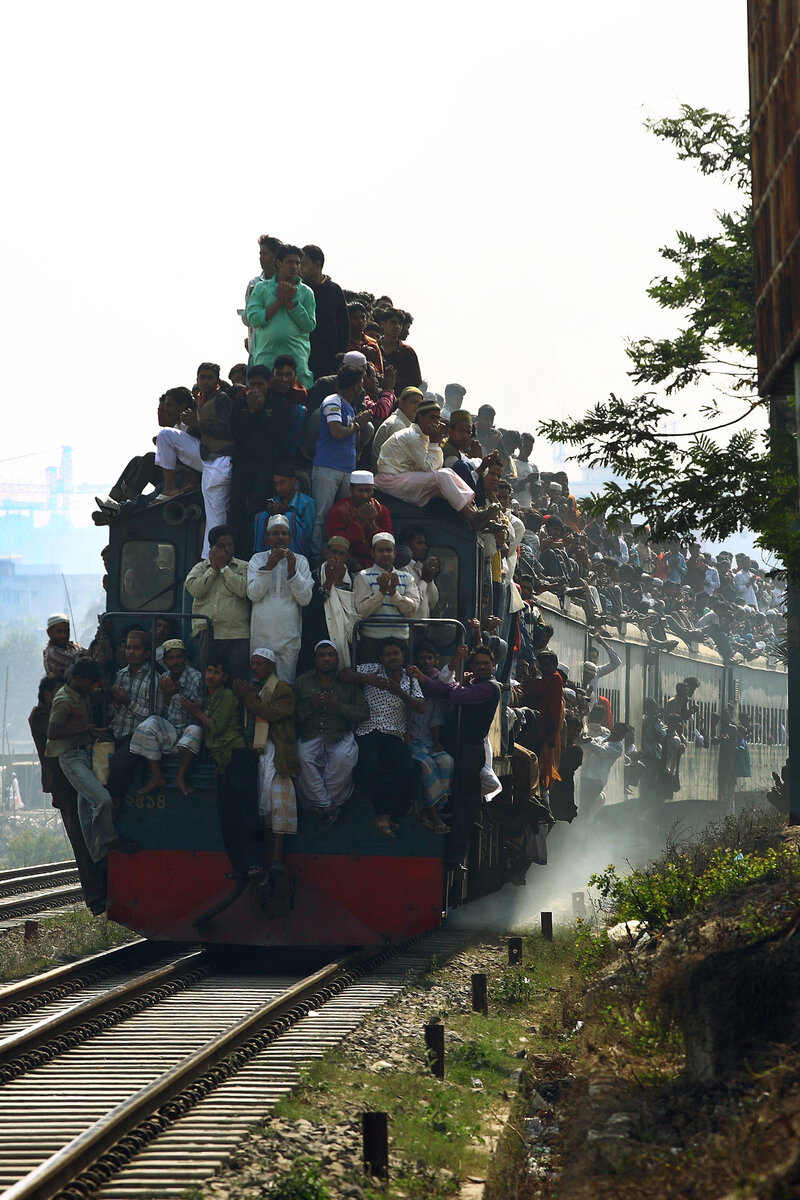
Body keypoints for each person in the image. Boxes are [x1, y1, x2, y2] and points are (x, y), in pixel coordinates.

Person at [174, 657, 263, 880]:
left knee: (247, 814)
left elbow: (218, 726)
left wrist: (195, 711)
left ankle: (255, 863)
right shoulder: (210, 699)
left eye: (216, 672)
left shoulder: (228, 696)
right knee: (227, 817)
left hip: (238, 756)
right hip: (222, 762)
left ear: (224, 678)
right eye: (209, 670)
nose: (211, 675)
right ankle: (239, 867)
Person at [45, 658, 135, 864]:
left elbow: (96, 697)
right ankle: (110, 840)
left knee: (85, 810)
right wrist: (83, 730)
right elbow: (53, 731)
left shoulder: (82, 692)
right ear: (78, 678)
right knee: (103, 799)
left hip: (86, 753)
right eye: (90, 683)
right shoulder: (63, 700)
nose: (91, 688)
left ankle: (97, 857)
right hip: (71, 757)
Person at [29, 675, 107, 913]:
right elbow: (60, 732)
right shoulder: (41, 715)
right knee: (80, 836)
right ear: (48, 695)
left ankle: (102, 888)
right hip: (62, 783)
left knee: (87, 831)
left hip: (71, 779)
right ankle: (96, 896)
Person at [418, 643, 502, 864]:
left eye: (486, 663)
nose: (483, 667)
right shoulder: (473, 682)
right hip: (455, 746)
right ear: (472, 666)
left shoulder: (489, 687)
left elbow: (453, 695)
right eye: (478, 663)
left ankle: (454, 857)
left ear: (493, 666)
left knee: (463, 802)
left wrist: (425, 680)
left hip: (469, 750)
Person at [154, 362, 235, 557]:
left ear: (217, 380)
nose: (205, 381)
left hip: (220, 459)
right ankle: (169, 488)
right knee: (166, 435)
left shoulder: (222, 400)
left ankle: (214, 558)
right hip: (206, 456)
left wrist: (197, 424)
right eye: (202, 377)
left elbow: (227, 431)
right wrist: (190, 426)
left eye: (210, 378)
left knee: (215, 514)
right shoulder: (201, 400)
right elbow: (196, 432)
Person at [349, 639, 425, 839]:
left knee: (407, 771)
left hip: (394, 735)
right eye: (388, 654)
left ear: (402, 656)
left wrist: (398, 691)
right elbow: (344, 673)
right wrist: (367, 679)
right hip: (368, 731)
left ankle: (390, 816)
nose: (392, 657)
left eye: (396, 653)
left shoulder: (410, 680)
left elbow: (420, 705)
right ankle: (383, 817)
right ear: (382, 658)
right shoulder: (372, 669)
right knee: (370, 768)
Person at [233, 648, 298, 874]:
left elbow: (270, 713)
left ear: (271, 667)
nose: (255, 668)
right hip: (256, 754)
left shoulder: (282, 689)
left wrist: (249, 697)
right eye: (253, 664)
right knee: (263, 809)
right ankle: (270, 857)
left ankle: (278, 858)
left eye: (260, 664)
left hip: (277, 753)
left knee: (278, 806)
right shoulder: (253, 689)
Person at [293, 640, 369, 822]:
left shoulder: (348, 684)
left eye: (331, 655)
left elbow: (363, 712)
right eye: (322, 655)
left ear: (337, 658)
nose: (326, 659)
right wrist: (310, 706)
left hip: (339, 735)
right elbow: (291, 714)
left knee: (345, 758)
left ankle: (323, 804)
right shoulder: (302, 682)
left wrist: (339, 707)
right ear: (315, 659)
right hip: (310, 735)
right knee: (302, 757)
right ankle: (329, 806)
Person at [376, 398, 478, 516]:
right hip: (389, 480)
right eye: (432, 417)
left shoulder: (424, 436)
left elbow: (437, 467)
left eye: (438, 418)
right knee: (442, 476)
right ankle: (472, 516)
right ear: (420, 417)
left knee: (447, 473)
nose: (437, 422)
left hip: (401, 478)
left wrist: (435, 442)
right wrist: (435, 442)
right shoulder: (412, 436)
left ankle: (473, 510)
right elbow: (430, 468)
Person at [229, 363, 290, 558]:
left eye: (260, 384)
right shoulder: (239, 405)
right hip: (243, 465)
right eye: (252, 384)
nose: (255, 389)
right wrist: (251, 412)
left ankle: (253, 553)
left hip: (266, 466)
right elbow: (236, 434)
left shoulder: (278, 404)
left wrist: (261, 412)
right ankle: (234, 554)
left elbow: (278, 434)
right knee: (236, 510)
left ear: (269, 384)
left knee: (258, 509)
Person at [311, 364, 371, 558]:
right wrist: (356, 426)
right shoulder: (332, 402)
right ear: (356, 385)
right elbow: (337, 432)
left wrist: (358, 426)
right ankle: (317, 557)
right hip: (328, 467)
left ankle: (343, 556)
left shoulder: (349, 407)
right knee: (322, 515)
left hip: (346, 469)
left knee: (346, 516)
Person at [128, 639, 203, 794]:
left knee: (196, 730)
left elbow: (197, 717)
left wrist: (176, 697)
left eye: (179, 657)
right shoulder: (164, 679)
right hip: (170, 732)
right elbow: (162, 713)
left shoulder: (196, 678)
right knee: (148, 725)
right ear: (165, 661)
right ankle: (157, 776)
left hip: (187, 732)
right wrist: (168, 697)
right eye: (171, 658)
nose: (175, 662)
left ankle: (180, 776)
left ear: (185, 658)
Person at [247, 514, 313, 682]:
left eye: (284, 533)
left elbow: (305, 599)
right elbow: (253, 594)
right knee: (258, 684)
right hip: (261, 636)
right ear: (267, 538)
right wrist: (268, 568)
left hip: (288, 637)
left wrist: (292, 571)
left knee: (284, 685)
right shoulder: (257, 560)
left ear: (290, 538)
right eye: (275, 534)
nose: (280, 537)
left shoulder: (301, 562)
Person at [185, 525, 251, 681]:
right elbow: (195, 589)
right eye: (222, 546)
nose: (227, 550)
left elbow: (243, 590)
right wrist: (214, 569)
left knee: (236, 681)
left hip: (236, 635)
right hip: (207, 634)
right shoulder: (200, 567)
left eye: (230, 545)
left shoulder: (244, 567)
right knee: (208, 681)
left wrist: (223, 567)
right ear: (212, 548)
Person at [246, 244, 316, 387]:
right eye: (290, 262)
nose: (294, 267)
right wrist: (278, 302)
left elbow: (309, 325)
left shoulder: (306, 292)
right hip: (266, 358)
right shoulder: (261, 288)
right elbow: (253, 318)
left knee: (299, 401)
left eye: (298, 263)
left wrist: (292, 303)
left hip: (297, 359)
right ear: (279, 263)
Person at [406, 641, 453, 833]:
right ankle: (434, 815)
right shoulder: (406, 684)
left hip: (427, 740)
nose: (425, 662)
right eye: (421, 658)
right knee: (427, 764)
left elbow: (435, 720)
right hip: (410, 741)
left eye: (429, 658)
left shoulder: (436, 686)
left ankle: (429, 809)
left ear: (436, 661)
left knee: (446, 761)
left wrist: (436, 743)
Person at [353, 532, 420, 657]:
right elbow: (361, 611)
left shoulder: (407, 578)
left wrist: (394, 593)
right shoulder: (363, 576)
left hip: (400, 642)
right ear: (373, 553)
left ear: (394, 554)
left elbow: (412, 610)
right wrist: (382, 592)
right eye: (380, 550)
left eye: (388, 550)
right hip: (372, 641)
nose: (385, 554)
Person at [297, 536, 357, 673]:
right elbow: (310, 606)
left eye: (341, 554)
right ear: (326, 553)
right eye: (334, 552)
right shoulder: (313, 577)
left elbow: (354, 609)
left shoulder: (353, 580)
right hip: (317, 632)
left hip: (344, 637)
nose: (337, 557)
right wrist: (329, 580)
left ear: (347, 557)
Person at [325, 470, 393, 569]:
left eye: (368, 491)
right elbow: (335, 540)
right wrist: (360, 523)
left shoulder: (381, 510)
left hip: (378, 555)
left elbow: (389, 539)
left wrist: (372, 525)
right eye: (360, 491)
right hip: (351, 555)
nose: (364, 495)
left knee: (405, 553)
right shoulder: (339, 510)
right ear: (351, 490)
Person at [300, 244, 349, 379]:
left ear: (318, 264)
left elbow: (343, 325)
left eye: (305, 264)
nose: (300, 268)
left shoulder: (334, 290)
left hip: (329, 357)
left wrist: (341, 356)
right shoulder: (300, 290)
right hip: (304, 354)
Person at [253, 462, 315, 559]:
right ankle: (260, 556)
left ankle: (291, 556)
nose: (279, 488)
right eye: (276, 484)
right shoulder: (275, 500)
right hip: (275, 545)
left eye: (282, 483)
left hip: (299, 550)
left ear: (293, 481)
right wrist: (272, 515)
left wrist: (284, 515)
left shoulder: (307, 503)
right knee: (262, 516)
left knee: (289, 517)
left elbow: (308, 534)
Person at [578, 722, 630, 820]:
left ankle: (583, 828)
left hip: (596, 780)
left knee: (586, 807)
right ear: (613, 729)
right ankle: (583, 827)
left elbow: (601, 752)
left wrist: (587, 741)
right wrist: (586, 740)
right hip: (587, 776)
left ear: (623, 735)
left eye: (621, 732)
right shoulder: (602, 738)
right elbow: (589, 744)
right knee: (583, 806)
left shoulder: (618, 747)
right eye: (617, 730)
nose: (618, 733)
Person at [242, 233, 282, 357]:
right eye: (260, 254)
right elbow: (248, 319)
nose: (261, 258)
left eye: (265, 254)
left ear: (276, 257)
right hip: (258, 352)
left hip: (282, 350)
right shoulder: (254, 284)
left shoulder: (288, 284)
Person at [371, 385, 422, 468]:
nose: (417, 407)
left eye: (419, 404)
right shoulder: (396, 425)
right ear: (401, 403)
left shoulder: (405, 424)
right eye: (413, 402)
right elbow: (397, 462)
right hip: (386, 475)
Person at [377, 307, 422, 396]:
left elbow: (416, 382)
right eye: (393, 323)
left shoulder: (407, 352)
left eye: (399, 324)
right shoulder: (374, 347)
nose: (397, 326)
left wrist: (393, 382)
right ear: (383, 324)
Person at [398, 526, 440, 619]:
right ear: (407, 545)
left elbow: (432, 602)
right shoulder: (402, 569)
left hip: (423, 626)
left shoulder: (420, 568)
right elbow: (411, 605)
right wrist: (424, 581)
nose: (424, 548)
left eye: (425, 544)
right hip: (410, 627)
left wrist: (429, 580)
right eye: (420, 543)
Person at [43, 614, 83, 680]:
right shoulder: (53, 653)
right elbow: (82, 661)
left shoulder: (71, 646)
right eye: (59, 632)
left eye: (67, 631)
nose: (64, 636)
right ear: (49, 632)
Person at [347, 301, 383, 371]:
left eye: (362, 317)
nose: (360, 321)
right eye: (355, 318)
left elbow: (379, 371)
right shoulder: (342, 342)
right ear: (348, 319)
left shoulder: (372, 343)